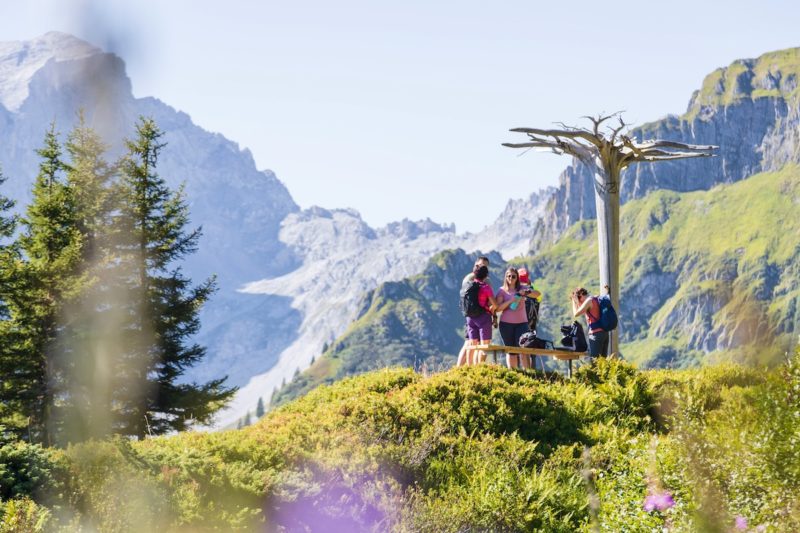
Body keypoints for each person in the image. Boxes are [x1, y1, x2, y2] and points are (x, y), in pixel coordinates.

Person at [495, 267, 542, 369]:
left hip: (522, 323)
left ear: (517, 278)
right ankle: (514, 374)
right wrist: (511, 300)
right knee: (511, 351)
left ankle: (528, 374)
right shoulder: (501, 291)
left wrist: (527, 292)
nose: (511, 278)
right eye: (508, 276)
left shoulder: (521, 288)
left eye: (513, 276)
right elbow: (498, 308)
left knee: (524, 349)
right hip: (506, 324)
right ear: (505, 277)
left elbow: (538, 294)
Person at [457, 256, 491, 366]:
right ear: (475, 266)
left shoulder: (468, 279)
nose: (481, 268)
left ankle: (467, 369)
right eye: (480, 266)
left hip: (470, 315)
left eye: (484, 267)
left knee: (471, 343)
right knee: (471, 343)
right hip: (477, 316)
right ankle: (464, 368)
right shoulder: (474, 279)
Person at [464, 264, 496, 364]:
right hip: (483, 318)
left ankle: (469, 370)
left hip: (470, 318)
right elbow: (494, 304)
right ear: (486, 276)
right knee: (484, 346)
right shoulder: (486, 287)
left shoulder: (468, 286)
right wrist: (491, 309)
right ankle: (479, 369)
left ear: (474, 274)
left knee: (472, 346)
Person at [570, 286, 610, 358]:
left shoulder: (589, 301)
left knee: (595, 362)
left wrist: (574, 301)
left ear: (581, 295)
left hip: (595, 334)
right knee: (603, 362)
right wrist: (578, 302)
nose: (579, 302)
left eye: (579, 299)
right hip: (604, 333)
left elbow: (576, 313)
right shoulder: (596, 298)